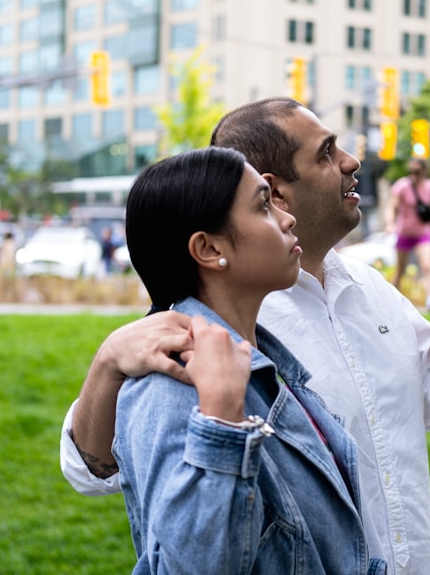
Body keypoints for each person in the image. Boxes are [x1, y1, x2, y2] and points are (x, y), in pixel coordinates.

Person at [61, 97, 430, 574]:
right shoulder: (199, 348)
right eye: (325, 152)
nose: (351, 161)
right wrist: (112, 363)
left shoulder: (348, 299)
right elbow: (105, 476)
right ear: (275, 193)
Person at [110, 146, 385, 573]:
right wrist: (219, 423)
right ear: (208, 248)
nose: (286, 217)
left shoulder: (261, 358)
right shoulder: (177, 383)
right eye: (263, 205)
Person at [386, 157, 430, 311]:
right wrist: (390, 223)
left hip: (423, 233)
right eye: (412, 172)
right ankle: (390, 301)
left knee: (428, 266)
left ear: (425, 171)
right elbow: (392, 206)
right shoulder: (402, 186)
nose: (414, 175)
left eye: (417, 172)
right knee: (400, 269)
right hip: (404, 233)